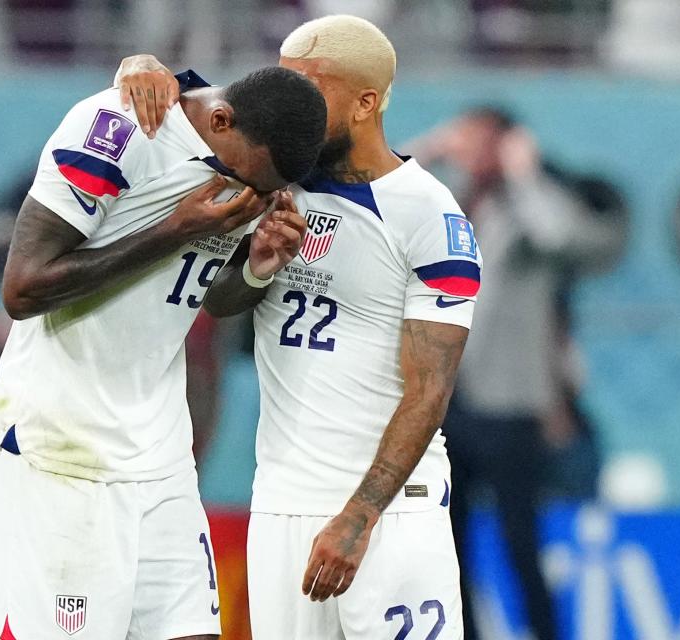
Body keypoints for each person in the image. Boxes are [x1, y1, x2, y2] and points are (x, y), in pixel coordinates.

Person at [117, 15, 480, 640]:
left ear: (367, 102)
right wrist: (140, 70)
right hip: (281, 504)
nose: (290, 104)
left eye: (309, 89)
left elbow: (430, 389)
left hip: (388, 514)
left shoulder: (429, 216)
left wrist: (359, 518)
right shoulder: (273, 180)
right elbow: (222, 301)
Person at [0, 67, 326, 640]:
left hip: (160, 455)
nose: (253, 197)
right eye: (248, 180)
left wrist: (258, 266)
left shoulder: (248, 166)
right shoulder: (118, 129)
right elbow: (22, 288)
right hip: (62, 452)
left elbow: (203, 290)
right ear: (220, 120)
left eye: (265, 192)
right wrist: (173, 230)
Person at [405, 107, 602, 640]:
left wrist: (524, 172)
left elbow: (561, 236)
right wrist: (432, 147)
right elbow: (382, 199)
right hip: (451, 403)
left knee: (522, 544)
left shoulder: (532, 206)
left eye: (480, 138)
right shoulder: (452, 202)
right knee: (449, 547)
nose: (470, 148)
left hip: (510, 406)